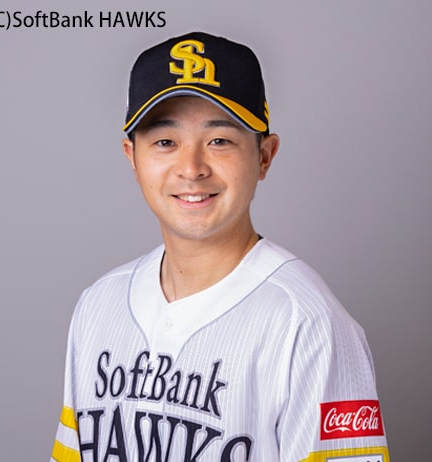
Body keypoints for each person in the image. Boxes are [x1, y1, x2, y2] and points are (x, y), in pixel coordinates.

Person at [51, 32, 390, 462]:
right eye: (165, 142)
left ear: (264, 156)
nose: (191, 168)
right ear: (131, 157)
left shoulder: (308, 324)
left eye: (219, 141)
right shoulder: (98, 305)